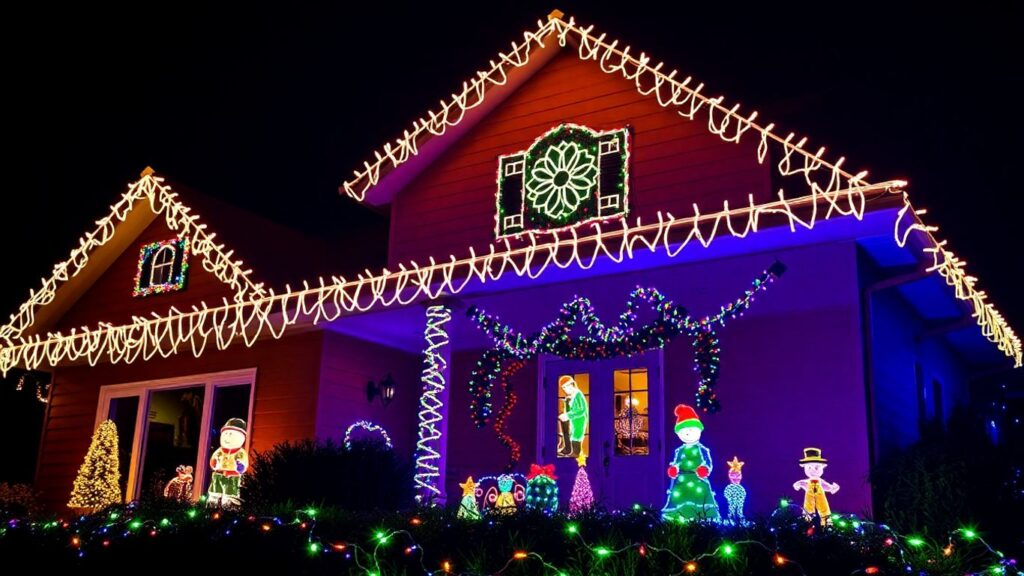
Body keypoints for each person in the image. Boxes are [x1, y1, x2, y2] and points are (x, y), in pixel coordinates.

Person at [661, 404, 721, 522]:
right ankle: (680, 519)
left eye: (691, 430)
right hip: (681, 482)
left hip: (698, 481)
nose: (688, 433)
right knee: (680, 500)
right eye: (684, 432)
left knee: (701, 501)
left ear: (699, 430)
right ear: (679, 434)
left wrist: (705, 468)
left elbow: (708, 462)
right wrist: (674, 469)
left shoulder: (702, 449)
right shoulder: (679, 451)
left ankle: (703, 520)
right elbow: (676, 462)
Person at [207, 418, 249, 507]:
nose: (227, 437)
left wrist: (240, 465)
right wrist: (214, 463)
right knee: (214, 492)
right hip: (218, 475)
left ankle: (228, 508)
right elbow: (213, 460)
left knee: (230, 495)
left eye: (231, 434)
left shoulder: (240, 452)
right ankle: (212, 506)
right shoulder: (219, 451)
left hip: (232, 477)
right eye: (226, 434)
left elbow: (243, 463)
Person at [792, 447, 839, 525]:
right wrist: (798, 484)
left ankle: (827, 524)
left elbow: (825, 486)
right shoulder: (807, 482)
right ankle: (807, 524)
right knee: (808, 508)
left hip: (821, 497)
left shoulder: (820, 481)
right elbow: (802, 483)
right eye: (809, 467)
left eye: (816, 467)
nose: (813, 470)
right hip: (809, 499)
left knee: (824, 508)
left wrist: (832, 488)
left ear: (822, 467)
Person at [557, 375, 589, 458]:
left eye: (565, 387)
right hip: (572, 420)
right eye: (563, 388)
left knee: (576, 435)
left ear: (571, 385)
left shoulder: (578, 394)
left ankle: (575, 452)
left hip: (579, 420)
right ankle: (567, 449)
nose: (565, 389)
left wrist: (568, 415)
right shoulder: (570, 396)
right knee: (569, 434)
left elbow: (581, 410)